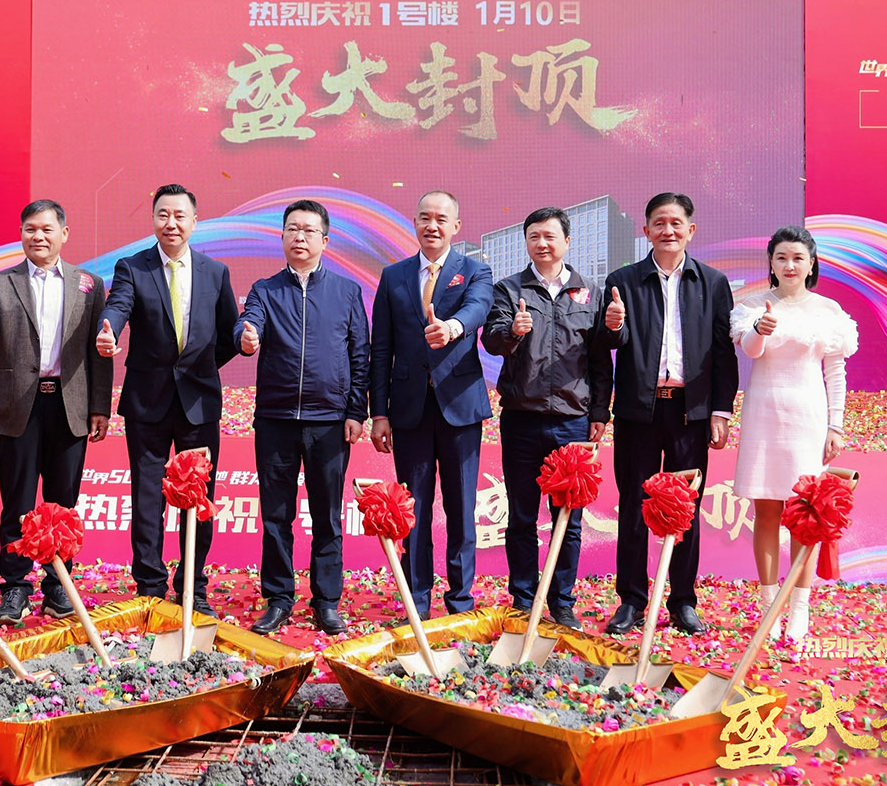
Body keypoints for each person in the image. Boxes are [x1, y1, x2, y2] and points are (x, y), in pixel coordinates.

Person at [0, 200, 113, 626]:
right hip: (19, 406)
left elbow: (99, 351)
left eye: (46, 229)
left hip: (69, 405)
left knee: (63, 503)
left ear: (64, 233)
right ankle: (14, 588)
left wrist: (100, 406)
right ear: (21, 233)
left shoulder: (89, 284)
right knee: (18, 501)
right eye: (29, 229)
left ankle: (58, 585)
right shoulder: (0, 283)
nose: (37, 237)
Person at [601, 192, 738, 636]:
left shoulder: (712, 283)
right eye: (659, 223)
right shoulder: (622, 281)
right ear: (646, 231)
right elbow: (609, 346)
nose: (668, 231)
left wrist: (720, 409)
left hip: (689, 412)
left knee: (684, 508)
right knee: (633, 505)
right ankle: (631, 600)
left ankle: (682, 601)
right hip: (638, 411)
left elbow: (723, 353)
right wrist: (614, 327)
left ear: (690, 230)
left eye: (676, 223)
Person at [97, 184, 238, 618]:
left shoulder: (215, 272)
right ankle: (150, 586)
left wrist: (199, 368)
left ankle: (193, 584)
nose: (171, 223)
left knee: (199, 498)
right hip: (148, 401)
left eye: (179, 215)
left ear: (195, 221)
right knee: (147, 496)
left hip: (199, 402)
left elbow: (229, 333)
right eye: (163, 215)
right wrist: (107, 329)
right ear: (153, 219)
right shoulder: (132, 267)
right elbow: (118, 306)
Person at [234, 200, 370, 636]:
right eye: (292, 229)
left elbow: (360, 355)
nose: (300, 237)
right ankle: (278, 599)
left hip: (329, 421)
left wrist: (356, 411)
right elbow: (247, 324)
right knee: (276, 516)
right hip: (275, 419)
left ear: (324, 240)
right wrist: (246, 337)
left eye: (309, 230)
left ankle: (327, 601)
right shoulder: (265, 290)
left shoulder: (347, 292)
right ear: (282, 237)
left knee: (328, 515)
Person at [481, 207, 611, 630]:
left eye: (550, 236)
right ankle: (523, 599)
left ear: (567, 242)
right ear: (526, 242)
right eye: (534, 236)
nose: (542, 243)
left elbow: (600, 360)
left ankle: (562, 602)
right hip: (521, 418)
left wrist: (599, 412)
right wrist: (513, 331)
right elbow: (492, 340)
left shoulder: (590, 292)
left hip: (573, 421)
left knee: (567, 520)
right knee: (521, 517)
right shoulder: (509, 289)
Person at [730, 225, 857, 642]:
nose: (789, 265)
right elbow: (751, 351)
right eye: (781, 257)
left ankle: (799, 607)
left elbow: (835, 371)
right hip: (764, 415)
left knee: (805, 516)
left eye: (798, 258)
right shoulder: (753, 305)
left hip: (808, 418)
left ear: (811, 263)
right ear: (770, 262)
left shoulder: (828, 310)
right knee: (766, 512)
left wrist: (835, 424)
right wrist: (760, 329)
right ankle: (770, 606)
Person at [370, 190, 492, 617]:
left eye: (442, 218)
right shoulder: (394, 276)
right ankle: (417, 601)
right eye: (425, 217)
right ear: (415, 223)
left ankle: (460, 602)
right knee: (414, 510)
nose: (432, 225)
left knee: (461, 509)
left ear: (456, 226)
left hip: (460, 407)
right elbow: (381, 348)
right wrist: (379, 412)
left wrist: (453, 327)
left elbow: (478, 308)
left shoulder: (475, 271)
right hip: (409, 411)